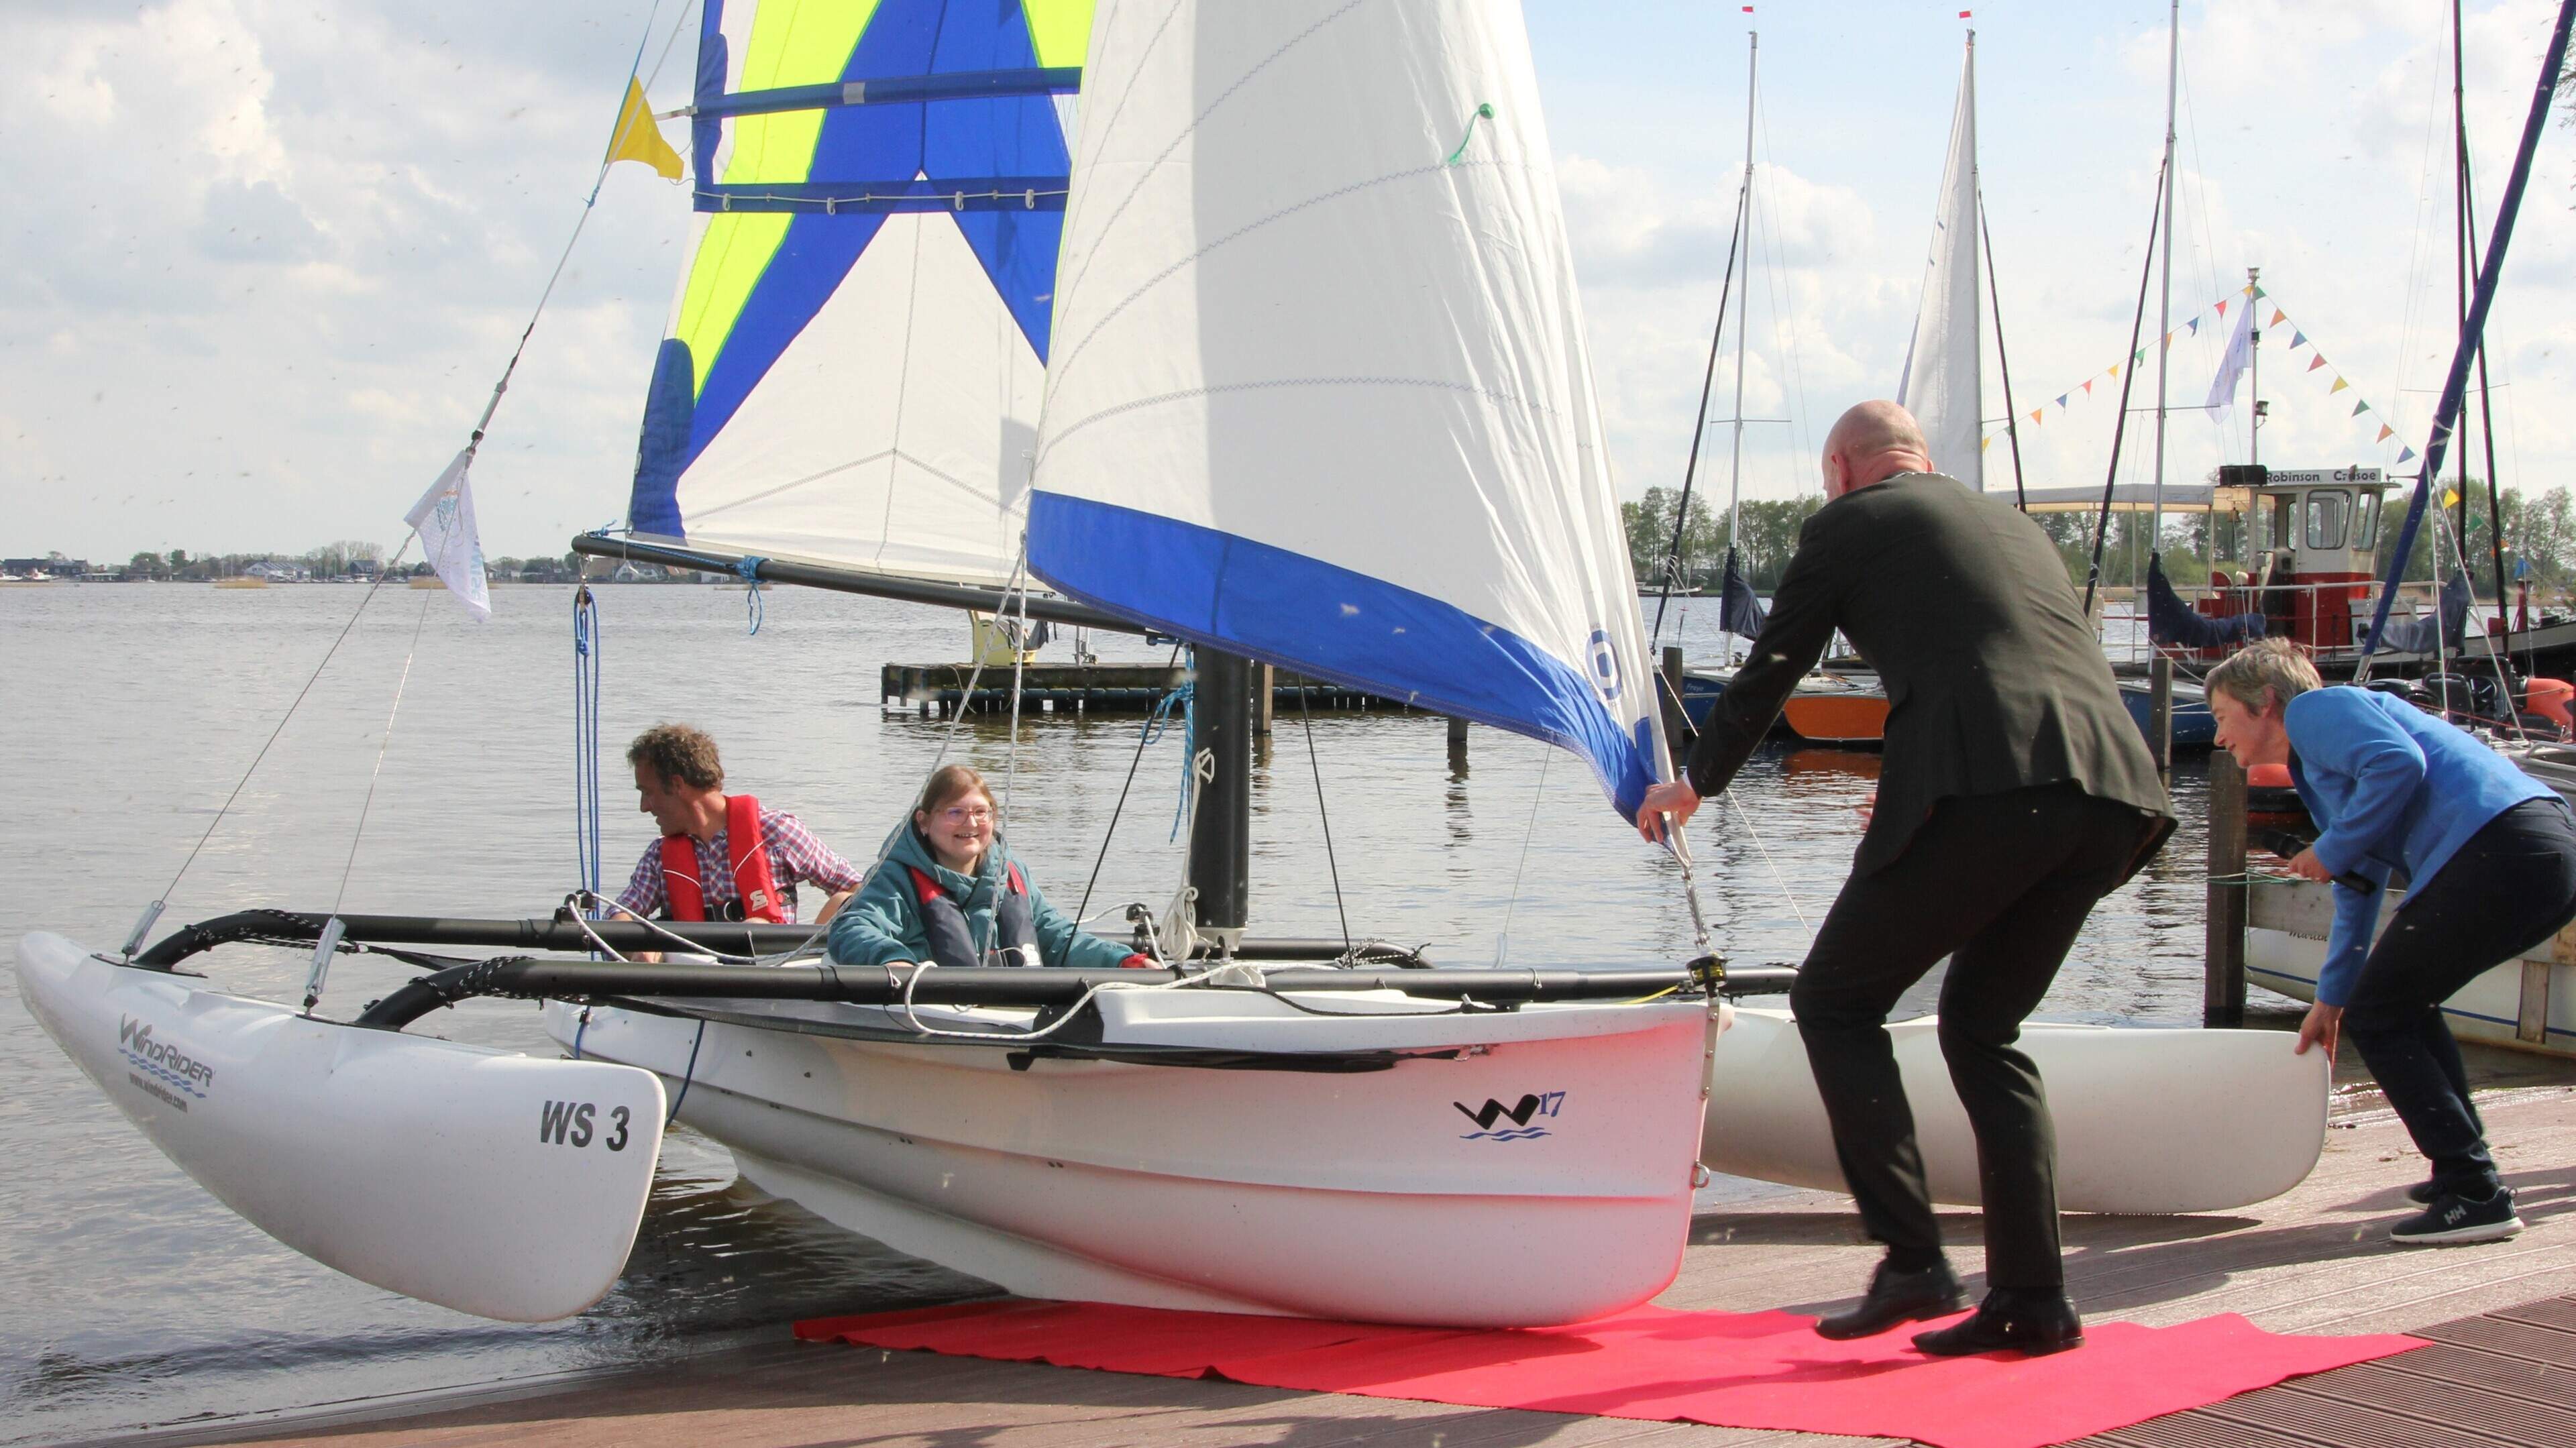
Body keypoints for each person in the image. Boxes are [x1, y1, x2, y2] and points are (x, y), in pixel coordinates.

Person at [1638, 400, 2173, 1357]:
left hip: (1994, 785)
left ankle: (1916, 1258)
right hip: (2116, 795)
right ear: (1919, 458)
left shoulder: (1849, 522)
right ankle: (2033, 1296)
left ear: (1842, 469)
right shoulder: (2013, 526)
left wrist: (1698, 780)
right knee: (1982, 1027)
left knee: (1835, 1002)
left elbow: (1776, 661)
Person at [2206, 638, 2575, 1244]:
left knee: (2383, 1014)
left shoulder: (2316, 710)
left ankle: (2474, 1190)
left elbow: (2399, 762)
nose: (2219, 736)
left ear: (2265, 702)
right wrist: (2330, 1002)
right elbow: (2358, 885)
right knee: (2401, 1005)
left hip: (2501, 846)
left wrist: (2329, 847)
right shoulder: (2320, 769)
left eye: (2222, 716)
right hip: (2537, 853)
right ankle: (2462, 1168)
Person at [828, 764, 1147, 970]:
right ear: (924, 822)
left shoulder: (1012, 874)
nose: (971, 824)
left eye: (982, 813)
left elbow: (1056, 936)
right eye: (955, 813)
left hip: (1016, 1015)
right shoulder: (896, 878)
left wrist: (1121, 960)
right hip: (929, 1013)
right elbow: (853, 928)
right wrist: (892, 960)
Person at [612, 724, 862, 932]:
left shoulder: (776, 832)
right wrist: (642, 947)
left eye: (648, 793)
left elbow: (857, 887)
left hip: (775, 967)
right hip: (694, 971)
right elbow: (619, 914)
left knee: (844, 900)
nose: (644, 807)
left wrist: (820, 948)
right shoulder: (658, 855)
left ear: (677, 785)